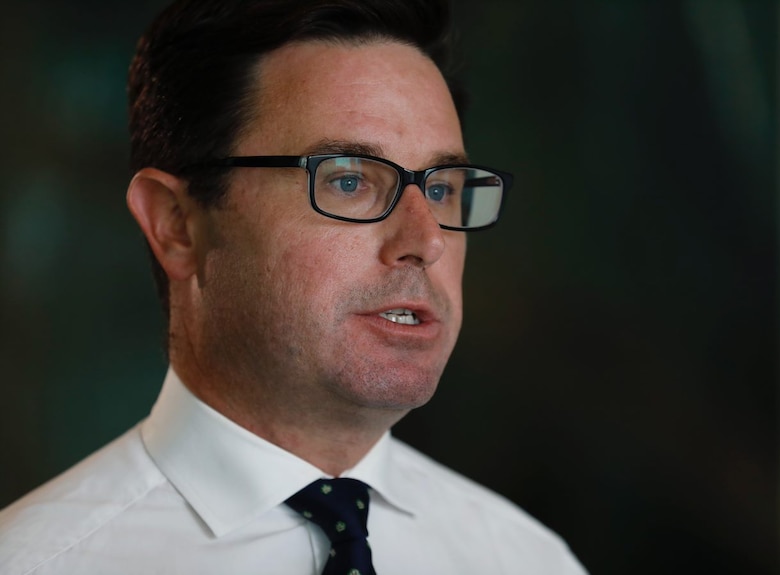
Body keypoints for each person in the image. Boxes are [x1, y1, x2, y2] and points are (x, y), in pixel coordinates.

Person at [0, 1, 589, 573]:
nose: (426, 239)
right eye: (350, 180)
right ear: (176, 224)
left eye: (440, 189)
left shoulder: (528, 559)